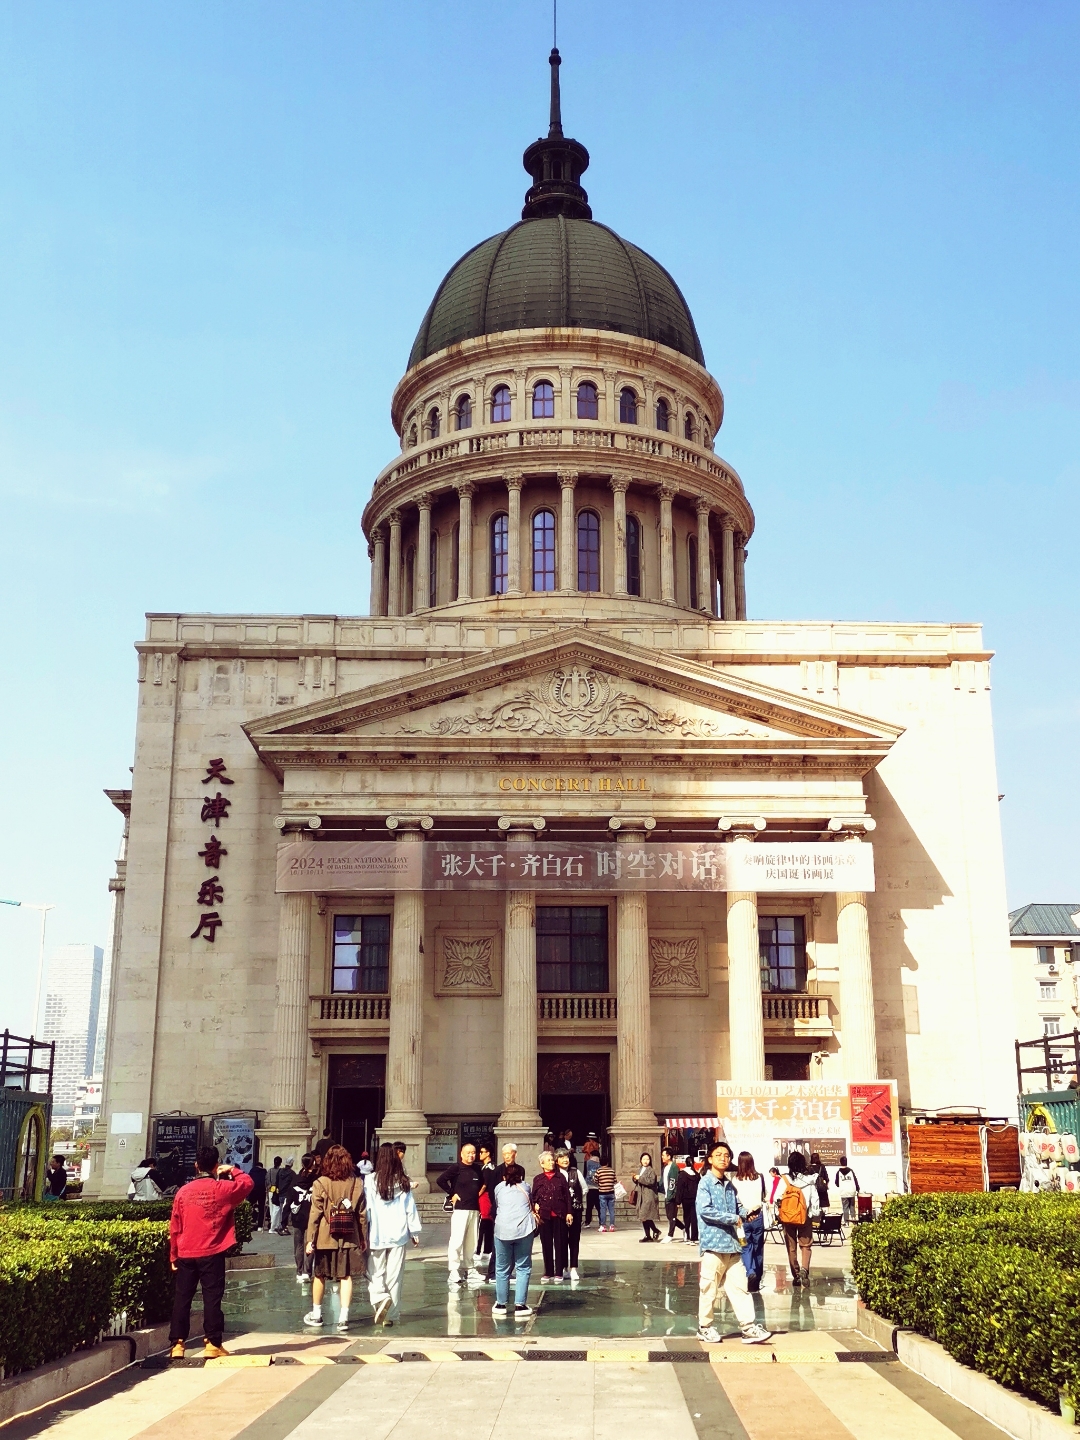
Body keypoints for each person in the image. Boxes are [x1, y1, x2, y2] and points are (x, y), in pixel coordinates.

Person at [168, 1145, 254, 1359]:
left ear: (196, 1165)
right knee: (212, 1298)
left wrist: (173, 1254)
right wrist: (233, 1170)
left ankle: (177, 1345)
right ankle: (212, 1343)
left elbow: (175, 1225)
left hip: (186, 1251)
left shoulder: (183, 1192)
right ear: (216, 1166)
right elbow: (247, 1183)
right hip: (212, 1251)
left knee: (182, 1298)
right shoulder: (222, 1188)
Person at [695, 1140, 772, 1346]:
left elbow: (737, 1207)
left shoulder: (730, 1185)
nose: (723, 1158)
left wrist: (747, 1213)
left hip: (733, 1245)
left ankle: (748, 1327)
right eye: (719, 1154)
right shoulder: (705, 1183)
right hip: (713, 1245)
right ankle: (705, 1327)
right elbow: (705, 1210)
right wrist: (732, 1217)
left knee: (740, 1288)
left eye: (727, 1155)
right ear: (710, 1159)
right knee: (709, 1289)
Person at [304, 1144, 368, 1329]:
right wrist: (363, 1237)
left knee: (320, 1275)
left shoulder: (320, 1183)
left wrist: (310, 1239)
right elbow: (362, 1214)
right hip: (349, 1236)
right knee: (346, 1276)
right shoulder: (357, 1183)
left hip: (325, 1237)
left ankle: (316, 1315)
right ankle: (344, 1318)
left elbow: (315, 1214)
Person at [364, 1142, 421, 1326]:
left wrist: (365, 1230)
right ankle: (392, 1314)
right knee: (395, 1275)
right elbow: (409, 1208)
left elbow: (368, 1209)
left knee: (374, 1272)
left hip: (377, 1232)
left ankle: (380, 1299)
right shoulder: (403, 1182)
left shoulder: (370, 1180)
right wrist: (414, 1231)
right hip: (398, 1232)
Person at [491, 1162, 535, 1318]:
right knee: (523, 1267)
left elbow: (497, 1203)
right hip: (524, 1230)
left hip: (502, 1230)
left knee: (502, 1268)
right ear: (521, 1176)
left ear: (504, 1176)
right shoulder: (526, 1186)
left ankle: (501, 1304)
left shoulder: (499, 1188)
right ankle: (520, 1305)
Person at [437, 1142, 484, 1288]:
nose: (471, 1155)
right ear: (461, 1154)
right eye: (468, 1152)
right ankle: (454, 1270)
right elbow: (441, 1180)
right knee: (456, 1241)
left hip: (474, 1209)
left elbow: (483, 1184)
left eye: (473, 1152)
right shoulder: (456, 1168)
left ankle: (470, 1269)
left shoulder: (477, 1169)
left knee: (472, 1241)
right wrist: (452, 1194)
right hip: (460, 1209)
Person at [778, 1151, 820, 1287]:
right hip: (805, 1217)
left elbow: (777, 1199)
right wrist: (815, 1215)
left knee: (791, 1247)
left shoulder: (784, 1180)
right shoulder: (809, 1181)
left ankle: (796, 1274)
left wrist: (778, 1215)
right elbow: (815, 1200)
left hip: (788, 1218)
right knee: (806, 1246)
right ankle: (804, 1269)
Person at [531, 1150, 572, 1281]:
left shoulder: (561, 1177)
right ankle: (548, 1271)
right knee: (546, 1243)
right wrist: (535, 1205)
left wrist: (569, 1212)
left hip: (559, 1214)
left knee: (560, 1243)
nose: (552, 1162)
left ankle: (559, 1271)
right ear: (542, 1164)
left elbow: (567, 1196)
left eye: (552, 1160)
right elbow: (534, 1196)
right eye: (548, 1160)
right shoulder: (538, 1179)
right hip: (544, 1215)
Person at [732, 1152, 767, 1292]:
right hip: (758, 1217)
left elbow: (734, 1201)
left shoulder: (735, 1180)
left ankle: (749, 1271)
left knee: (744, 1247)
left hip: (742, 1220)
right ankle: (757, 1279)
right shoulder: (760, 1178)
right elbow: (765, 1195)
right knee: (758, 1249)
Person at [284, 1153, 320, 1285]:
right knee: (310, 1243)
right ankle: (307, 1271)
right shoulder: (317, 1180)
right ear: (313, 1164)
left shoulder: (296, 1178)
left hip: (297, 1216)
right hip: (312, 1216)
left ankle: (299, 1271)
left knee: (298, 1244)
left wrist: (283, 1220)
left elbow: (288, 1199)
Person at [555, 1147, 585, 1279]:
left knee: (574, 1239)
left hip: (575, 1210)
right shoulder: (555, 1174)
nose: (565, 1160)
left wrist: (575, 1198)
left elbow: (584, 1188)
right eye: (561, 1157)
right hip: (560, 1212)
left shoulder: (575, 1172)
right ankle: (562, 1267)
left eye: (566, 1157)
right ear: (556, 1160)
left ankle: (573, 1267)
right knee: (561, 1240)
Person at [476, 1142, 497, 1276]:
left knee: (484, 1222)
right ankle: (485, 1250)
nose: (480, 1154)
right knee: (486, 1223)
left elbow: (485, 1184)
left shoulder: (489, 1168)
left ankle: (481, 1250)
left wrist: (476, 1194)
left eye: (482, 1152)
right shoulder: (486, 1167)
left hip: (485, 1197)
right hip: (485, 1197)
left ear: (488, 1153)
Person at [634, 1152, 661, 1241]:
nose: (646, 1161)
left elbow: (651, 1181)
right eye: (644, 1159)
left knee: (644, 1215)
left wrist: (640, 1178)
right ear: (640, 1160)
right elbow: (639, 1181)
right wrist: (634, 1178)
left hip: (648, 1196)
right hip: (641, 1195)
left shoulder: (651, 1170)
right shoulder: (640, 1169)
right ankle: (648, 1235)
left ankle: (655, 1230)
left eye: (647, 1159)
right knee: (644, 1217)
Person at [659, 1147, 684, 1242]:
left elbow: (673, 1182)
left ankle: (670, 1235)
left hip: (672, 1195)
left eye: (663, 1155)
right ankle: (684, 1228)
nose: (662, 1157)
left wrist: (672, 1194)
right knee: (670, 1216)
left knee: (672, 1216)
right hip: (667, 1194)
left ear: (669, 1156)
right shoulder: (665, 1167)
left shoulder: (674, 1167)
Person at [676, 1156, 700, 1243]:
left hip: (685, 1199)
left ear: (685, 1163)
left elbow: (679, 1189)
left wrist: (678, 1201)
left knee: (687, 1217)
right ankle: (694, 1237)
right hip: (695, 1198)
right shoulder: (697, 1175)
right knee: (694, 1217)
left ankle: (687, 1235)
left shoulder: (682, 1174)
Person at [594, 1152, 617, 1231]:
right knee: (611, 1210)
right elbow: (615, 1181)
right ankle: (612, 1225)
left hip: (602, 1193)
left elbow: (595, 1180)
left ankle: (603, 1226)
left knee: (603, 1210)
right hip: (611, 1192)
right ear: (607, 1162)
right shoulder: (612, 1171)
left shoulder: (599, 1171)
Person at [835, 1156, 860, 1224]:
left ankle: (846, 1222)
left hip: (844, 1192)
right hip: (851, 1191)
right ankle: (853, 1220)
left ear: (840, 1162)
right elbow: (855, 1180)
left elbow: (836, 1183)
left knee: (845, 1207)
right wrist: (858, 1189)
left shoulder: (838, 1172)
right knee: (852, 1206)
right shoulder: (851, 1171)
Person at [583, 1149, 601, 1228]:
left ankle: (587, 1222)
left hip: (590, 1186)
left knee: (589, 1206)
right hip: (598, 1187)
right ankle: (601, 1222)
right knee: (599, 1206)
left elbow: (585, 1172)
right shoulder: (601, 1163)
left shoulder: (587, 1162)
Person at [248, 1160, 268, 1230]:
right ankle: (260, 1226)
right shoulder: (264, 1172)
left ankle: (248, 1223)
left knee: (249, 1206)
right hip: (262, 1191)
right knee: (261, 1208)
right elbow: (266, 1181)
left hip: (252, 1191)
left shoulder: (251, 1171)